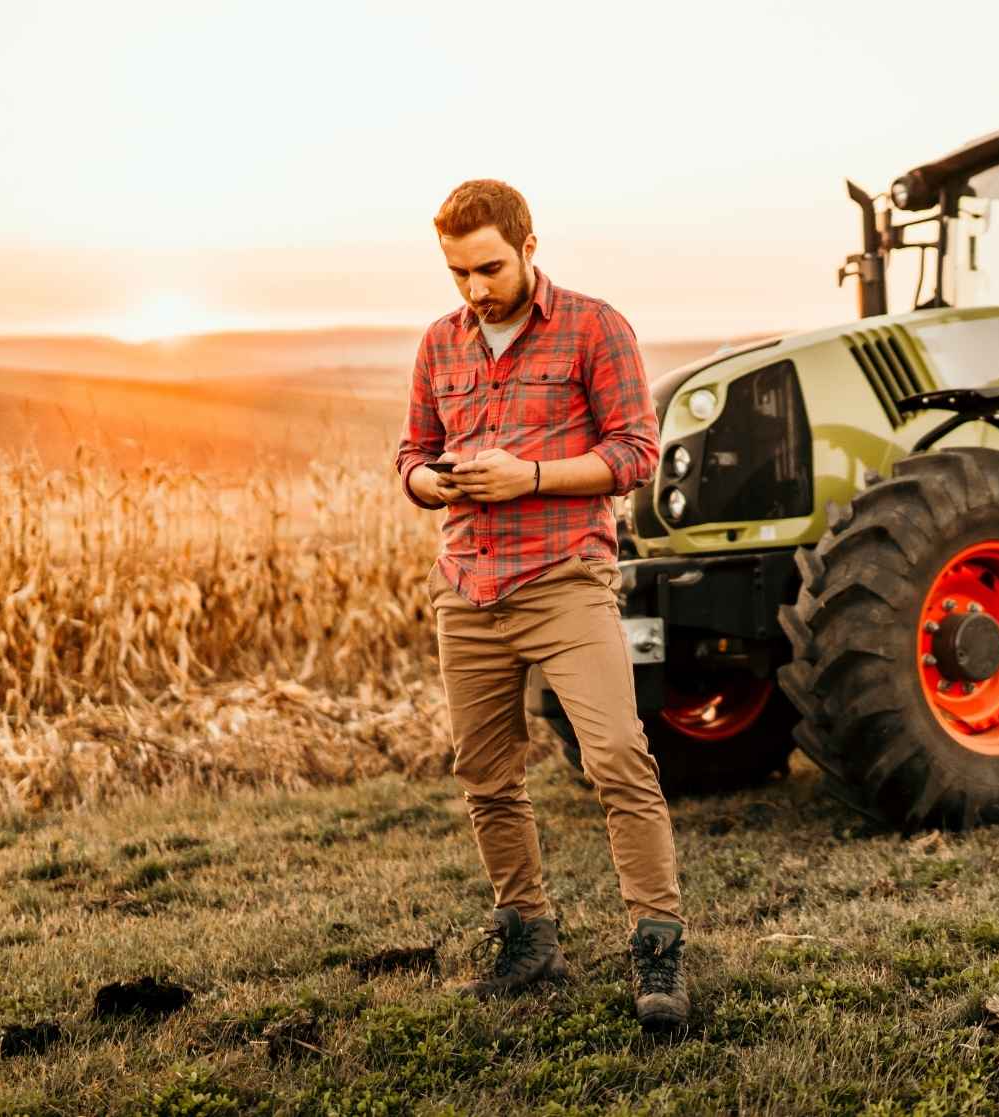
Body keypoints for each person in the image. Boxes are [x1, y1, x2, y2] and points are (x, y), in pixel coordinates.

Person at [394, 179, 688, 1028]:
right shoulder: (440, 343)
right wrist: (428, 479)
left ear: (528, 246)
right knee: (485, 775)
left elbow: (635, 452)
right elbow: (413, 451)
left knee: (616, 759)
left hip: (564, 578)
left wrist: (527, 477)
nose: (475, 289)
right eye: (457, 273)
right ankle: (529, 942)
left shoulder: (596, 327)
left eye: (488, 267)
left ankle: (658, 951)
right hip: (468, 584)